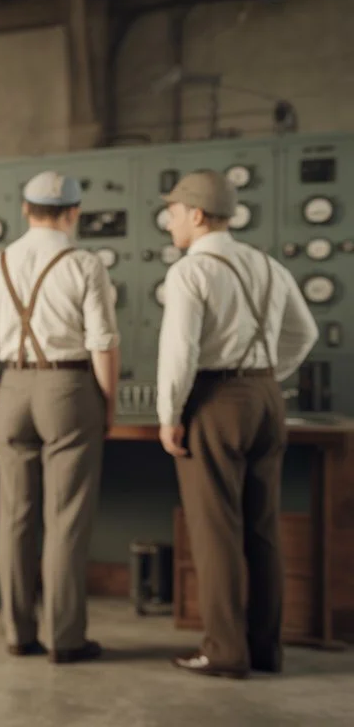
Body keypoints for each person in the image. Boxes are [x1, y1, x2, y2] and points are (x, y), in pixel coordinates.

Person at [156, 170, 317, 679]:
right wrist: (266, 375)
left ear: (197, 215)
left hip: (215, 400)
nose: (169, 221)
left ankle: (225, 651)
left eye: (175, 211)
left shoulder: (190, 270)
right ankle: (266, 649)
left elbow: (178, 353)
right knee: (262, 529)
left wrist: (170, 416)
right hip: (268, 396)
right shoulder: (268, 265)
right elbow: (304, 333)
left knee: (215, 531)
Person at [0, 171, 120, 664]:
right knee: (66, 519)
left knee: (14, 518)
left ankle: (18, 632)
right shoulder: (85, 263)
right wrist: (108, 401)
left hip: (12, 387)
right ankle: (66, 639)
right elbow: (103, 342)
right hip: (70, 387)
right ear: (73, 212)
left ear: (25, 210)